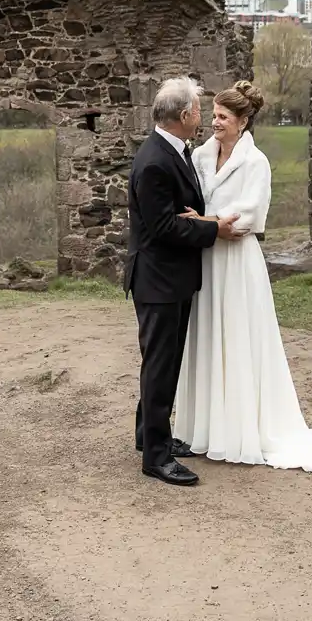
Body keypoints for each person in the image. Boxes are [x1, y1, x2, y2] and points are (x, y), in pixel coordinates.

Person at [172, 80, 312, 473]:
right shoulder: (202, 155)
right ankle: (206, 428)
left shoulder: (256, 163)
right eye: (214, 116)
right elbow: (190, 199)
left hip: (237, 263)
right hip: (206, 260)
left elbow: (248, 219)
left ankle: (240, 429)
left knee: (237, 340)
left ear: (242, 122)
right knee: (207, 338)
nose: (215, 123)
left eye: (223, 117)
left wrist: (202, 221)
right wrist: (206, 223)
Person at [125, 76, 238, 487]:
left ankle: (148, 436)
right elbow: (160, 228)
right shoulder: (156, 159)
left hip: (170, 277)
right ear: (185, 115)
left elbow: (177, 214)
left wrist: (196, 220)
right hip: (157, 279)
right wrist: (213, 230)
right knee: (159, 365)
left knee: (163, 362)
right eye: (198, 111)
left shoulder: (173, 149)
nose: (202, 118)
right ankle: (156, 457)